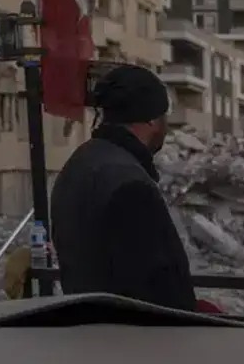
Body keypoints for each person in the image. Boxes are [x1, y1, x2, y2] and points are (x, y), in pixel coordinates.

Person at [50, 63, 196, 311]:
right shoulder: (129, 183)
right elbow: (156, 281)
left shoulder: (79, 163)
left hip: (87, 322)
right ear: (152, 119)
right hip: (132, 329)